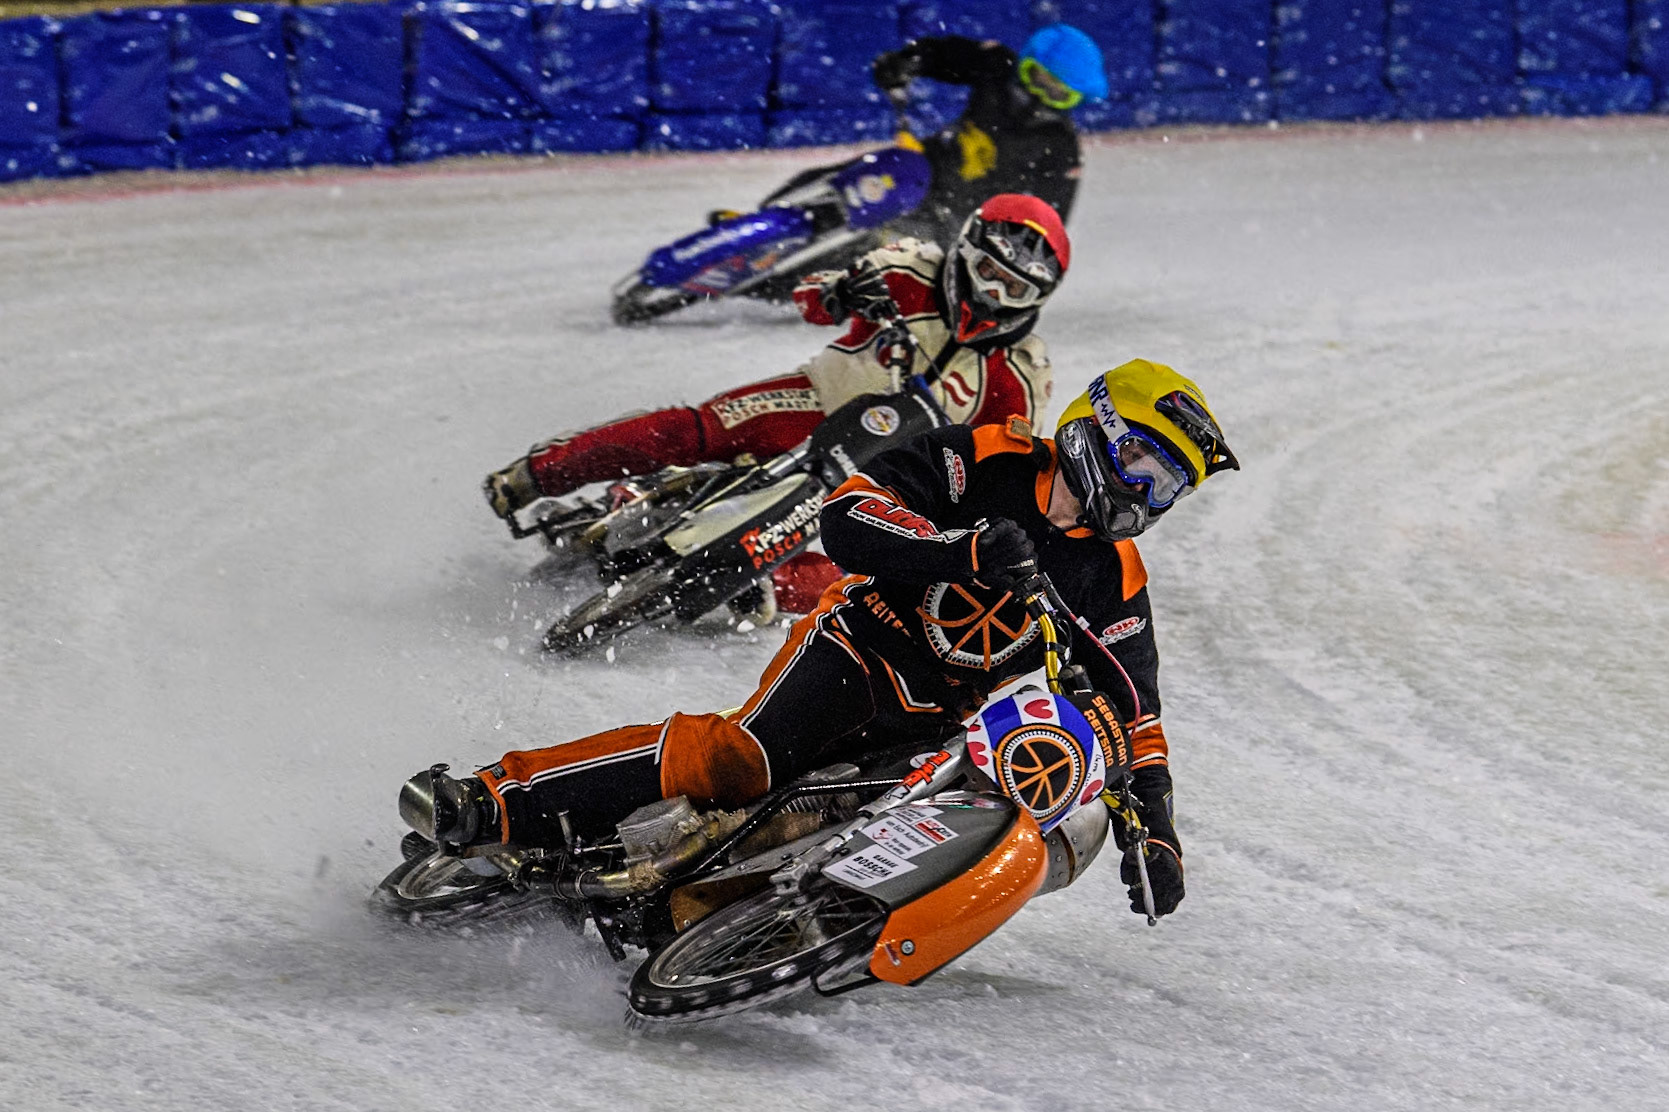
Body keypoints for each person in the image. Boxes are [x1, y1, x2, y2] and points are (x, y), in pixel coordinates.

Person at [409, 360, 1239, 919]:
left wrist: (1154, 829)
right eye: (1141, 463)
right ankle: (493, 798)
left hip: (944, 725)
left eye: (1167, 484)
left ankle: (696, 919)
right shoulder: (982, 460)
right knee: (741, 763)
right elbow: (848, 517)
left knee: (847, 834)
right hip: (856, 648)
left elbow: (1135, 709)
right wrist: (960, 549)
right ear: (1091, 429)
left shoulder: (1115, 575)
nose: (1144, 494)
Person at [485, 193, 1071, 609]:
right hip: (817, 398)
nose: (994, 294)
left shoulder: (1021, 372)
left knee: (896, 571)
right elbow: (809, 298)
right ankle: (542, 472)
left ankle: (764, 586)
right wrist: (841, 293)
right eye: (989, 272)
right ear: (967, 249)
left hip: (892, 478)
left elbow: (1004, 465)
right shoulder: (908, 266)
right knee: (696, 430)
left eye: (1014, 287)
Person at [874, 23, 1107, 245]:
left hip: (964, 227)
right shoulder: (998, 66)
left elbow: (1047, 226)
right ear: (1025, 63)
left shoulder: (1062, 149)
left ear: (1075, 101)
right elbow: (945, 54)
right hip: (920, 166)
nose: (1040, 96)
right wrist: (907, 62)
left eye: (1058, 94)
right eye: (1037, 78)